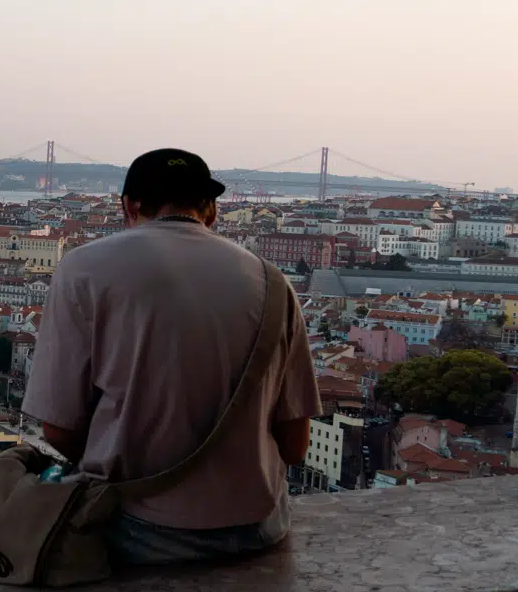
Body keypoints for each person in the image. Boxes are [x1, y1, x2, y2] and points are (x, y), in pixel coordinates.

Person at [22, 148, 320, 565]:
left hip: (134, 528)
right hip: (257, 529)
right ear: (211, 211)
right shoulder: (274, 283)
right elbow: (294, 444)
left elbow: (57, 430)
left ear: (129, 206)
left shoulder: (83, 269)